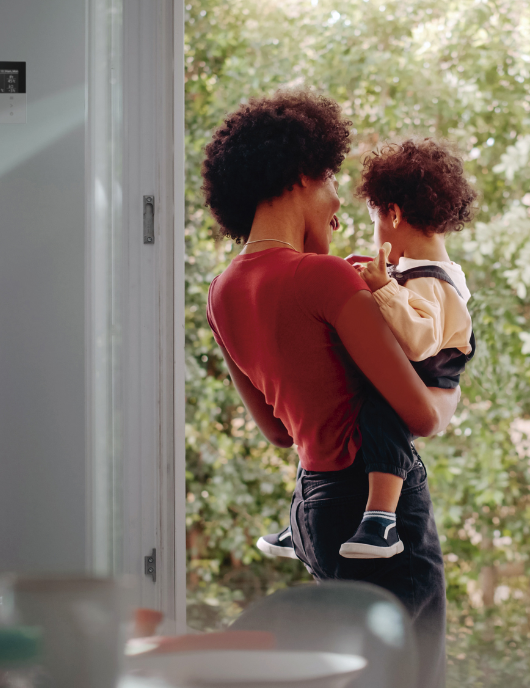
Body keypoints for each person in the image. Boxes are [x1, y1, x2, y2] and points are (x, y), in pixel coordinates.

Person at [203, 90, 457, 688]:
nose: (339, 202)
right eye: (332, 181)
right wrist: (449, 393)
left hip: (313, 506)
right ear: (301, 177)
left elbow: (274, 428)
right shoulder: (325, 276)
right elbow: (420, 416)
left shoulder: (221, 291)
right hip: (374, 508)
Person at [257, 138, 477, 560]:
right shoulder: (409, 272)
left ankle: (381, 518)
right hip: (409, 374)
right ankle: (304, 520)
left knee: (380, 414)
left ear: (392, 214)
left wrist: (383, 289)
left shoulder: (435, 279)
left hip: (427, 374)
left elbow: (420, 340)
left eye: (375, 218)